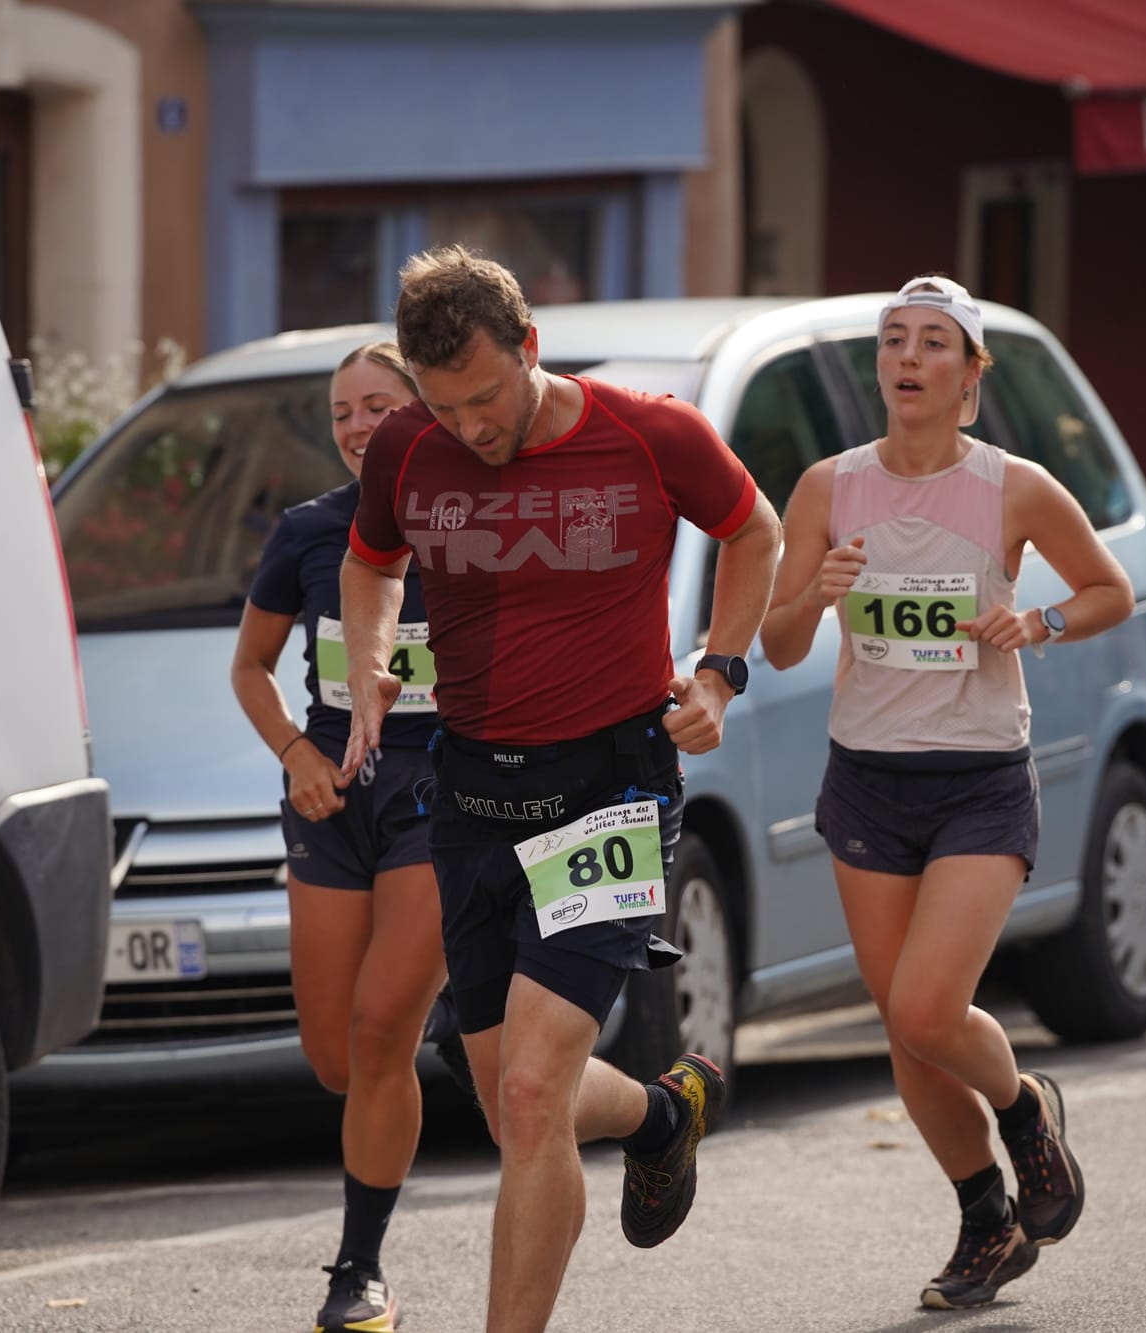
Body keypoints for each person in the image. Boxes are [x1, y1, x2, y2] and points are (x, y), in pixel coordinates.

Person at [340, 245, 781, 1333]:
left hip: (608, 790)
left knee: (533, 1095)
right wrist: (365, 662)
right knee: (509, 1103)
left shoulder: (647, 433)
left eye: (486, 397)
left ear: (531, 347)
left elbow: (753, 529)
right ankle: (657, 1115)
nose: (470, 428)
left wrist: (721, 671)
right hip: (471, 798)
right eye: (444, 406)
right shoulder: (407, 446)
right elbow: (369, 562)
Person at [759, 275, 1134, 1311]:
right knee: (907, 1029)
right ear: (878, 366)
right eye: (892, 341)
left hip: (975, 779)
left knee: (928, 1005)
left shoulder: (1012, 487)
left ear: (969, 375)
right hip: (866, 780)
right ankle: (984, 1222)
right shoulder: (826, 487)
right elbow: (779, 640)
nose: (907, 357)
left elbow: (1106, 588)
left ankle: (1023, 1114)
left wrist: (1038, 623)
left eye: (932, 342)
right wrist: (813, 593)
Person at [229, 341, 448, 1332]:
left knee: (377, 1028)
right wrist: (293, 753)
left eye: (377, 405)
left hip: (442, 795)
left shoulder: (468, 525)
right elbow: (250, 666)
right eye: (341, 412)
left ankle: (359, 1269)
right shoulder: (307, 532)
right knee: (336, 1057)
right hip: (331, 795)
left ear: (424, 409)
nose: (359, 426)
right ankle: (462, 1013)